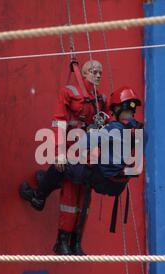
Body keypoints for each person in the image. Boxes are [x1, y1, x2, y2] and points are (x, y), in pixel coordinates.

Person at [20, 86, 143, 256]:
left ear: (115, 109)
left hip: (102, 179)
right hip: (117, 185)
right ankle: (74, 243)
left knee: (62, 165)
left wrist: (67, 150)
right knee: (79, 177)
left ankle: (38, 197)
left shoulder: (113, 129)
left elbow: (85, 143)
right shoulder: (139, 130)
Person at [20, 60, 109, 255]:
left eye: (100, 72)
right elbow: (59, 122)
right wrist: (60, 153)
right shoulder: (71, 93)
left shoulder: (100, 100)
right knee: (71, 196)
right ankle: (65, 242)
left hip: (86, 155)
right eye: (94, 71)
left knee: (81, 198)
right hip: (73, 152)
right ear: (84, 73)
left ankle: (72, 242)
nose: (98, 75)